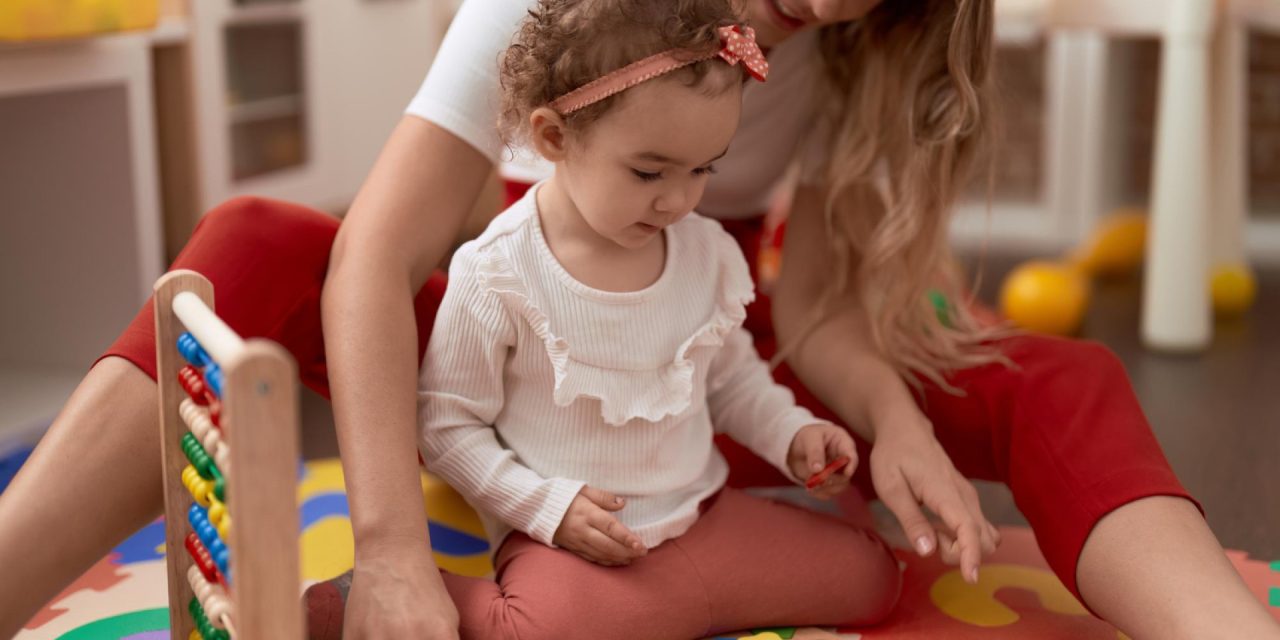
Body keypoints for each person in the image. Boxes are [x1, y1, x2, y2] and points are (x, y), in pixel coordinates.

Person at [1, 0, 1275, 638]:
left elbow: (815, 304)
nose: (835, 8)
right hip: (506, 349)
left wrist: (892, 425)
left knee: (1051, 371)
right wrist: (386, 547)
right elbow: (381, 251)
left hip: (693, 356)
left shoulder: (858, 43)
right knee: (255, 245)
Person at [385, 5, 901, 637]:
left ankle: (677, 599)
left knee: (871, 577)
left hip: (704, 516)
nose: (678, 200)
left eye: (704, 169)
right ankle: (374, 599)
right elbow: (445, 423)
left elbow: (732, 380)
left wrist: (793, 435)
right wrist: (547, 507)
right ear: (554, 138)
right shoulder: (498, 271)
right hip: (571, 545)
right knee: (540, 628)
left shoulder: (704, 253)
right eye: (649, 171)